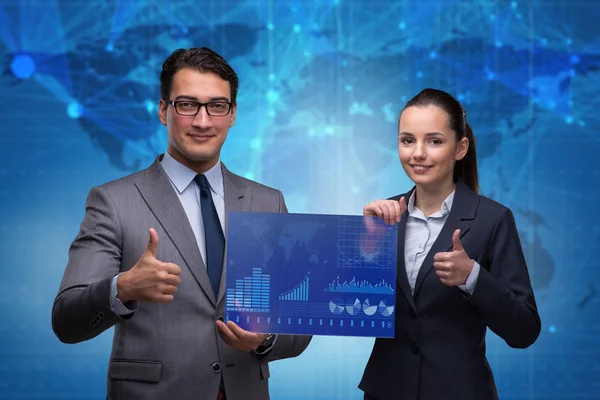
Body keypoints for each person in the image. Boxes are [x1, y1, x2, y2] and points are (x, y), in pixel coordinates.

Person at [52, 47, 311, 400]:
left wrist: (265, 339)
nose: (203, 121)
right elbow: (67, 321)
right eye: (187, 104)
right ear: (163, 110)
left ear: (232, 114)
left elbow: (300, 325)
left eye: (217, 106)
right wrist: (122, 287)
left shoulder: (268, 202)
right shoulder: (114, 201)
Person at [358, 88, 541, 400]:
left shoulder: (493, 220)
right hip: (386, 391)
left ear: (461, 148)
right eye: (407, 140)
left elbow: (524, 330)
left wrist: (472, 277)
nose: (417, 153)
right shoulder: (381, 218)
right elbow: (353, 311)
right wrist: (366, 247)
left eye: (435, 141)